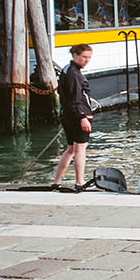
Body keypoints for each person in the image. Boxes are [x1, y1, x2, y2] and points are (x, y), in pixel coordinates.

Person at [51, 43, 94, 190]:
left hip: (67, 114)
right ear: (75, 55)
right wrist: (83, 117)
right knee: (80, 149)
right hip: (77, 115)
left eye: (89, 57)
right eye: (84, 57)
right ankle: (80, 182)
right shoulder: (75, 74)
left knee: (70, 149)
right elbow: (76, 99)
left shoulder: (67, 69)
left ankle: (57, 181)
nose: (86, 60)